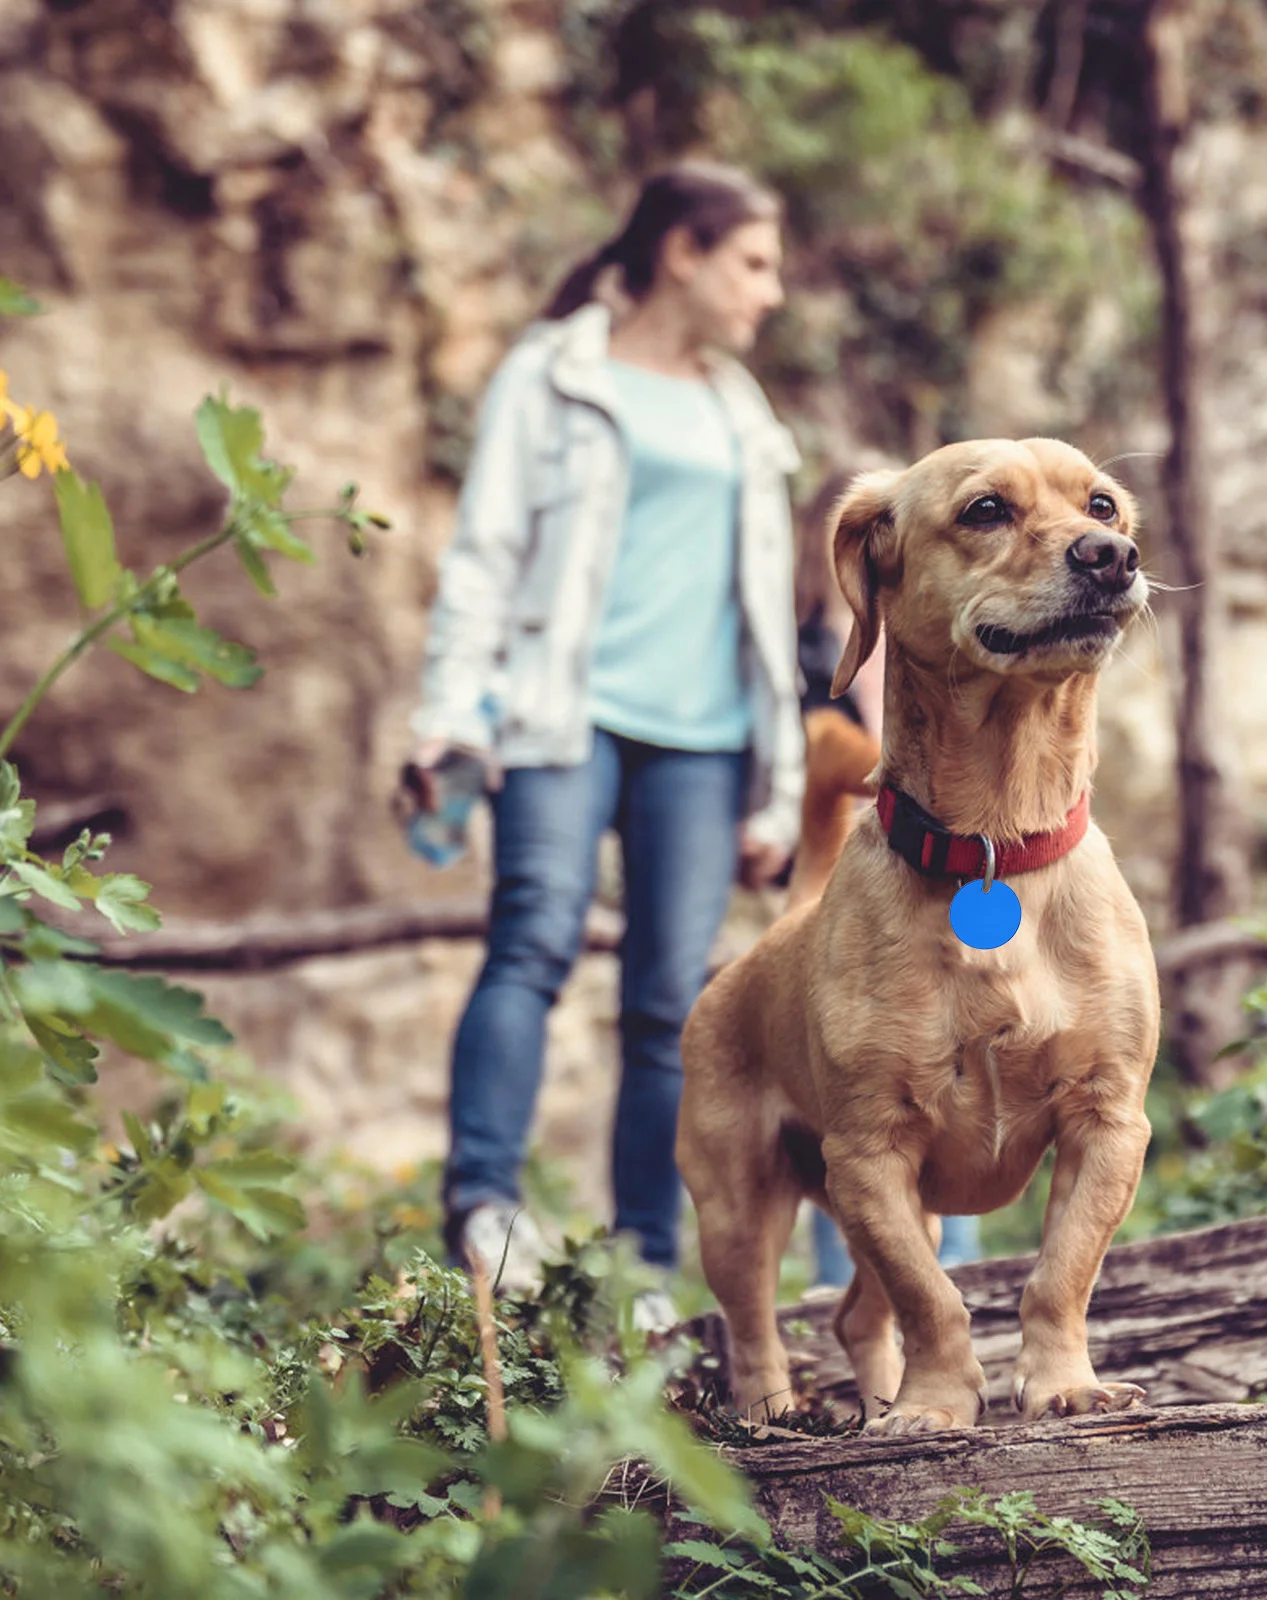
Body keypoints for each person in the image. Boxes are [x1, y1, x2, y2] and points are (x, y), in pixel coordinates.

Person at [407, 163, 806, 1319]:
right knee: (530, 936)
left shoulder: (742, 411)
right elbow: (483, 554)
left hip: (707, 740)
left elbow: (762, 610)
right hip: (562, 711)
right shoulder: (553, 374)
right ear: (681, 251)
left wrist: (773, 793)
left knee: (668, 998)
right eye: (753, 263)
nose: (769, 293)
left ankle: (640, 1261)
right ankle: (484, 1205)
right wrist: (448, 714)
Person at [788, 464, 984, 1290]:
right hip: (843, 899)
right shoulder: (798, 664)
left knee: (973, 1083)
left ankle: (965, 1282)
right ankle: (853, 1293)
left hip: (961, 887)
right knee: (862, 1105)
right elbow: (809, 775)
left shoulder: (963, 627)